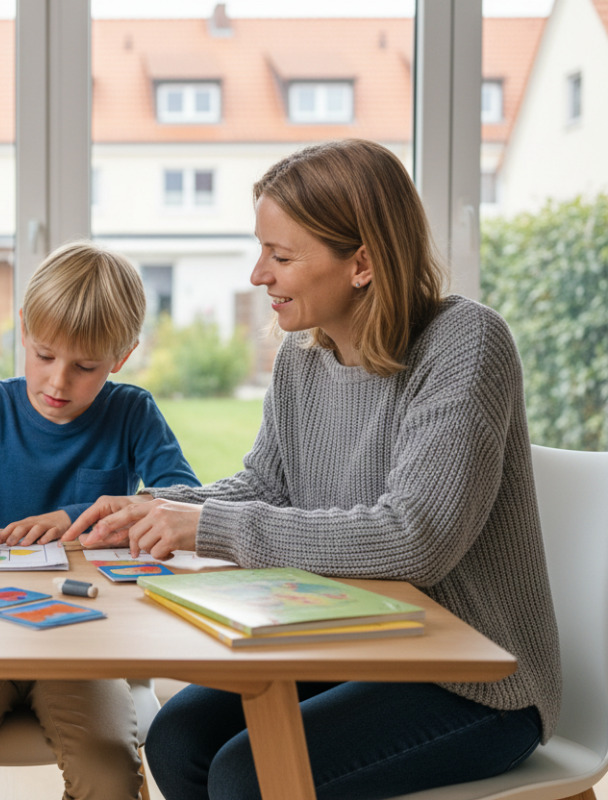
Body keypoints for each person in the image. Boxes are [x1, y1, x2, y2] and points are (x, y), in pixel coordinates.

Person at [62, 139, 560, 800]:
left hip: (477, 679)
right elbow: (268, 487)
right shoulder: (303, 357)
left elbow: (416, 540)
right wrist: (153, 508)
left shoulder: (464, 342)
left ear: (363, 263)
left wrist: (205, 526)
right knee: (177, 738)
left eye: (281, 255)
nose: (257, 275)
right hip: (355, 644)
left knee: (247, 777)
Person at [0, 240, 198, 800]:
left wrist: (74, 515)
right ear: (24, 330)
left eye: (84, 367)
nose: (57, 382)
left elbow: (183, 498)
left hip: (86, 639)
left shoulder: (133, 413)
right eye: (45, 355)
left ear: (121, 357)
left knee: (108, 772)